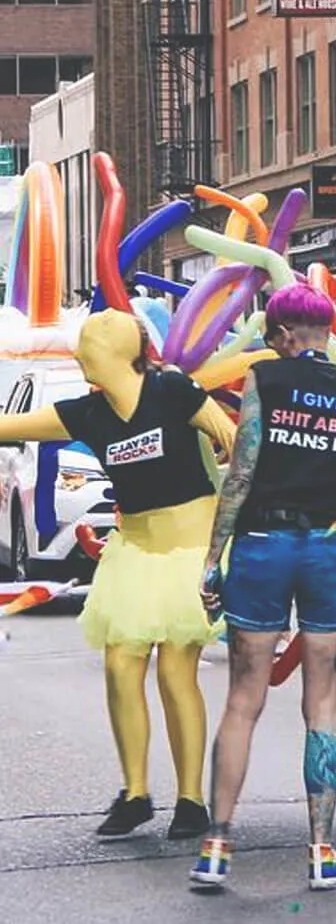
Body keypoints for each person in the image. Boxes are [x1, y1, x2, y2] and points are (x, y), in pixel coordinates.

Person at [0, 311, 235, 838]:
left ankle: (191, 800)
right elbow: (9, 427)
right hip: (135, 551)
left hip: (191, 549)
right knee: (120, 665)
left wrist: (238, 504)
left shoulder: (172, 390)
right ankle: (135, 793)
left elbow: (234, 436)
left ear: (114, 350)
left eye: (89, 344)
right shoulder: (88, 413)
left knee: (177, 674)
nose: (81, 352)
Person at [191, 285, 336, 892]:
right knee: (323, 703)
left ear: (281, 335)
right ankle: (322, 851)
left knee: (242, 699)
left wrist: (211, 556)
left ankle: (217, 847)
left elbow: (243, 471)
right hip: (334, 549)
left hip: (263, 545)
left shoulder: (266, 380)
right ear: (327, 331)